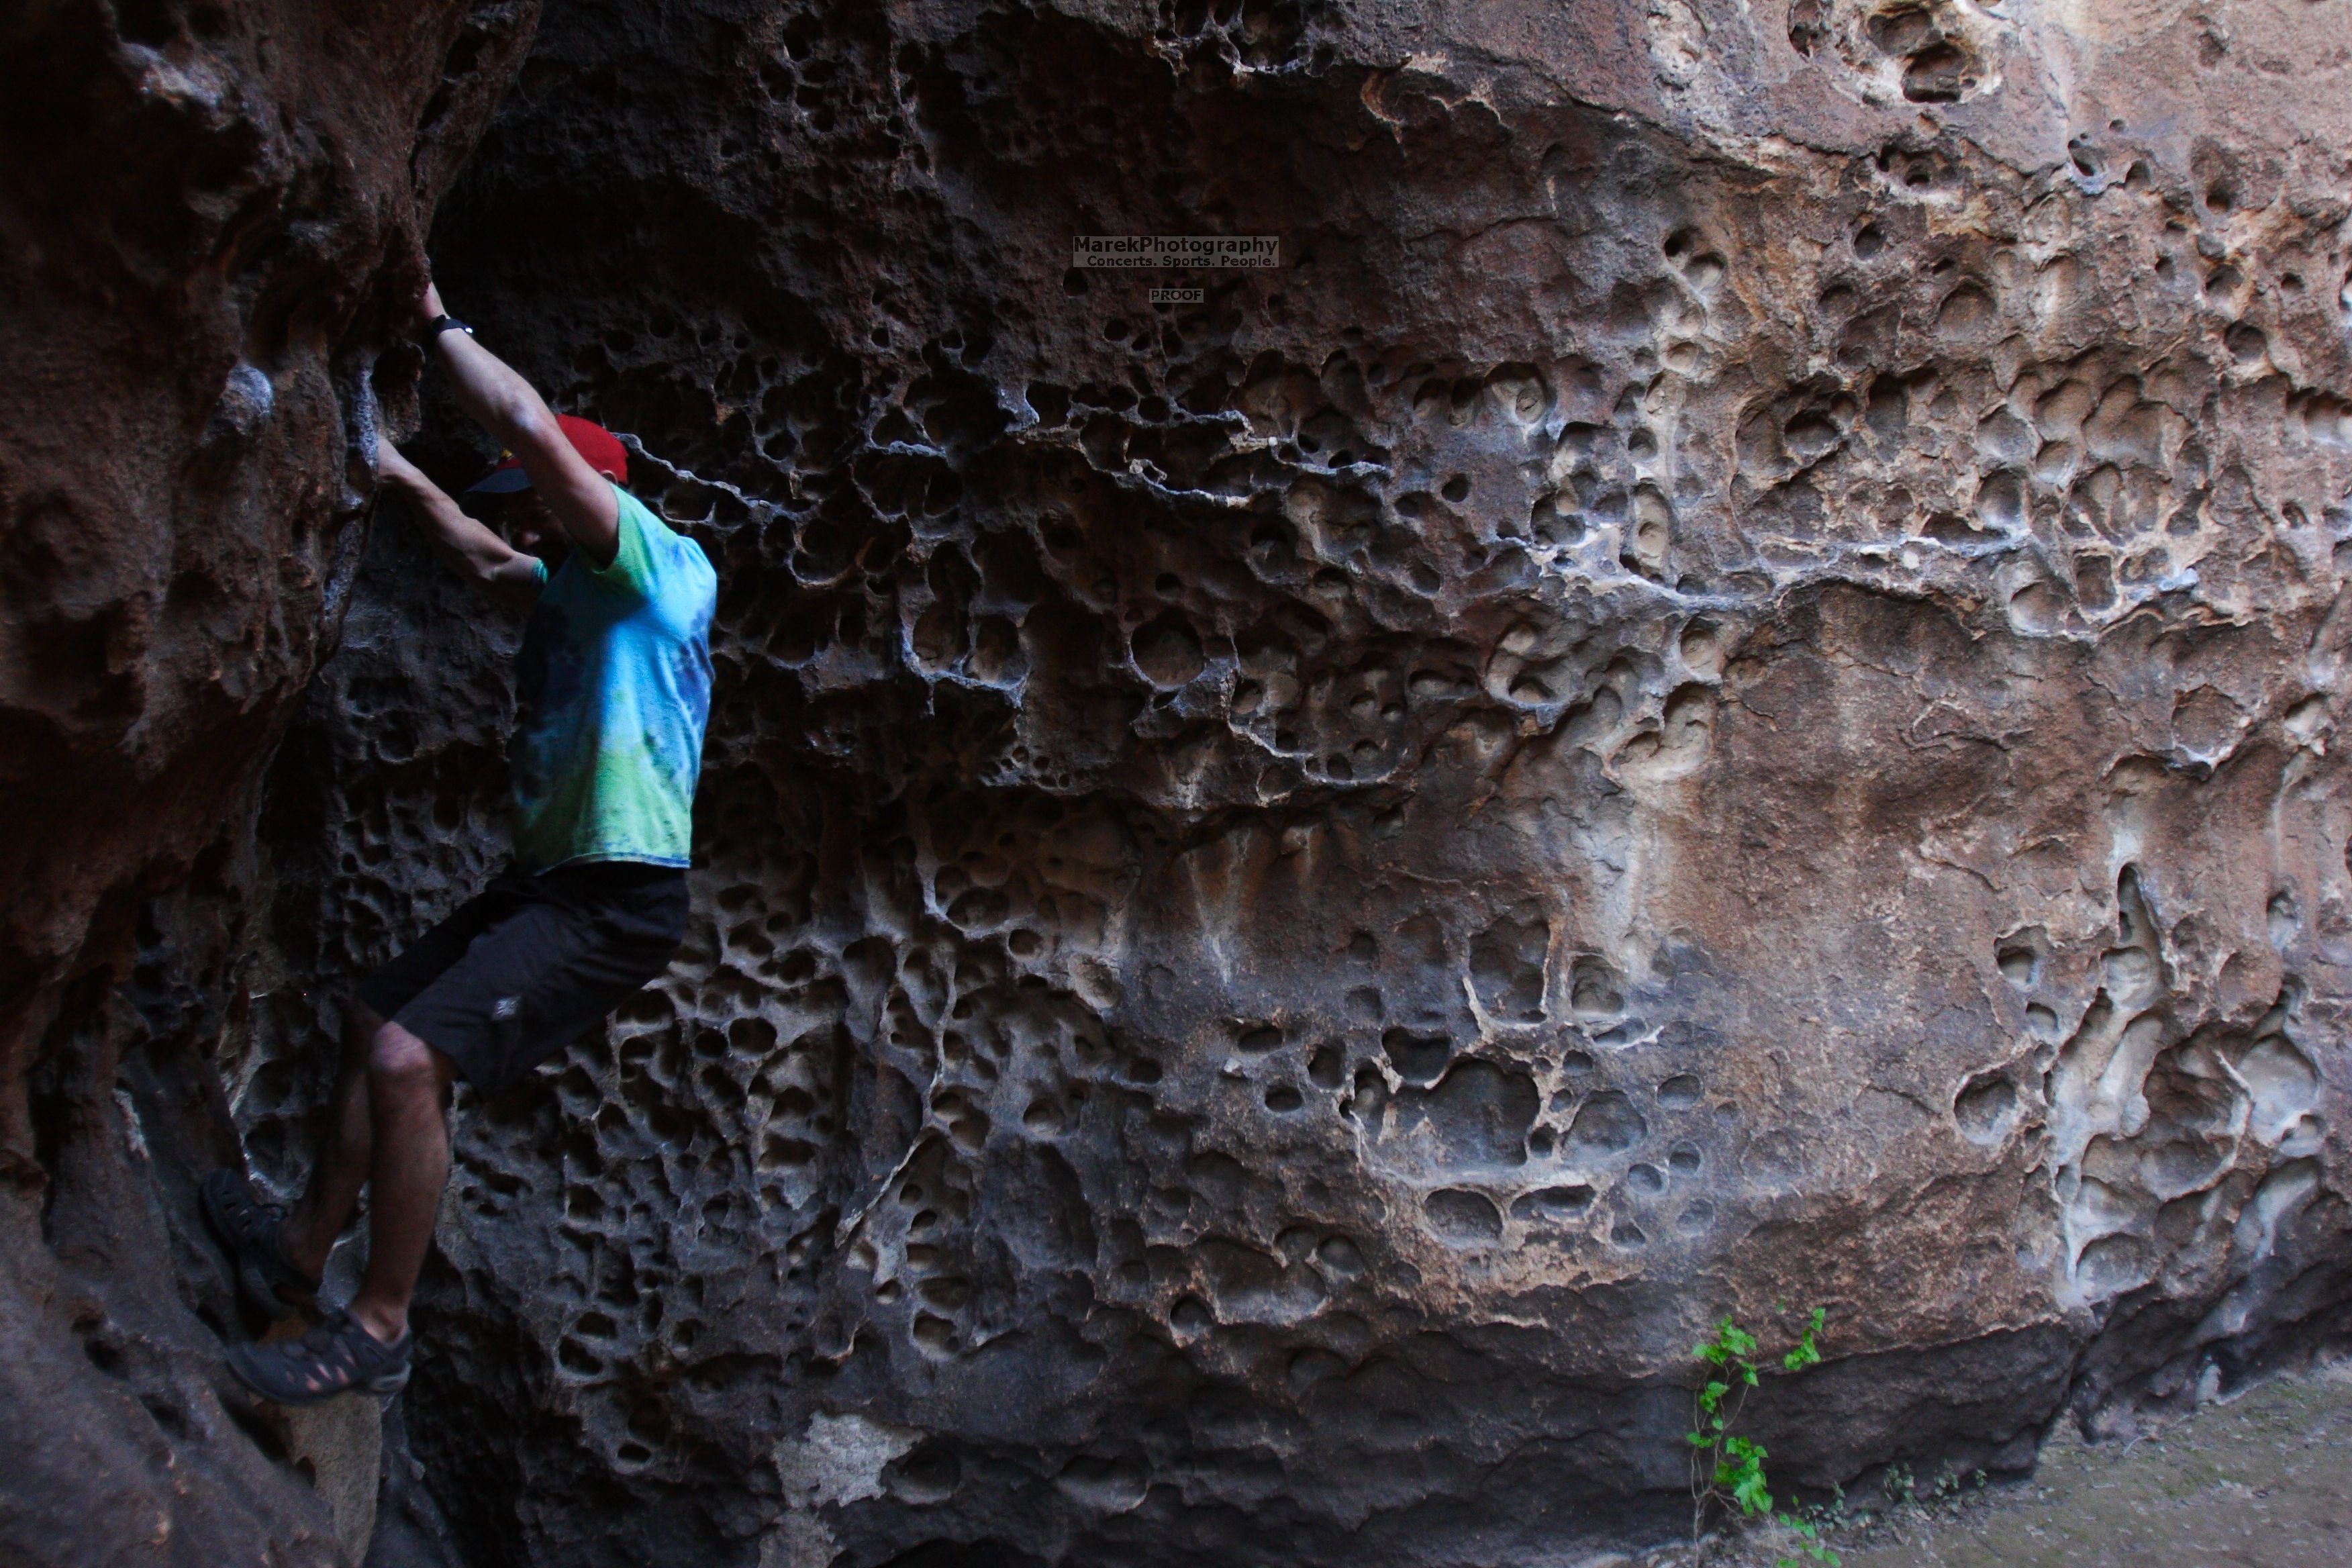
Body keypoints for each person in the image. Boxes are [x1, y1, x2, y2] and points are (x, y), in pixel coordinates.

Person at [199, 282, 718, 1403]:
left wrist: (436, 322)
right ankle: (297, 1252)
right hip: (546, 884)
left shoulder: (652, 572)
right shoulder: (574, 587)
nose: (520, 520)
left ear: (589, 494)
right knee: (373, 1017)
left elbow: (529, 428)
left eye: (528, 503)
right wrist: (387, 469)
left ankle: (380, 1327)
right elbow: (485, 560)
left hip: (616, 901)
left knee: (406, 1061)